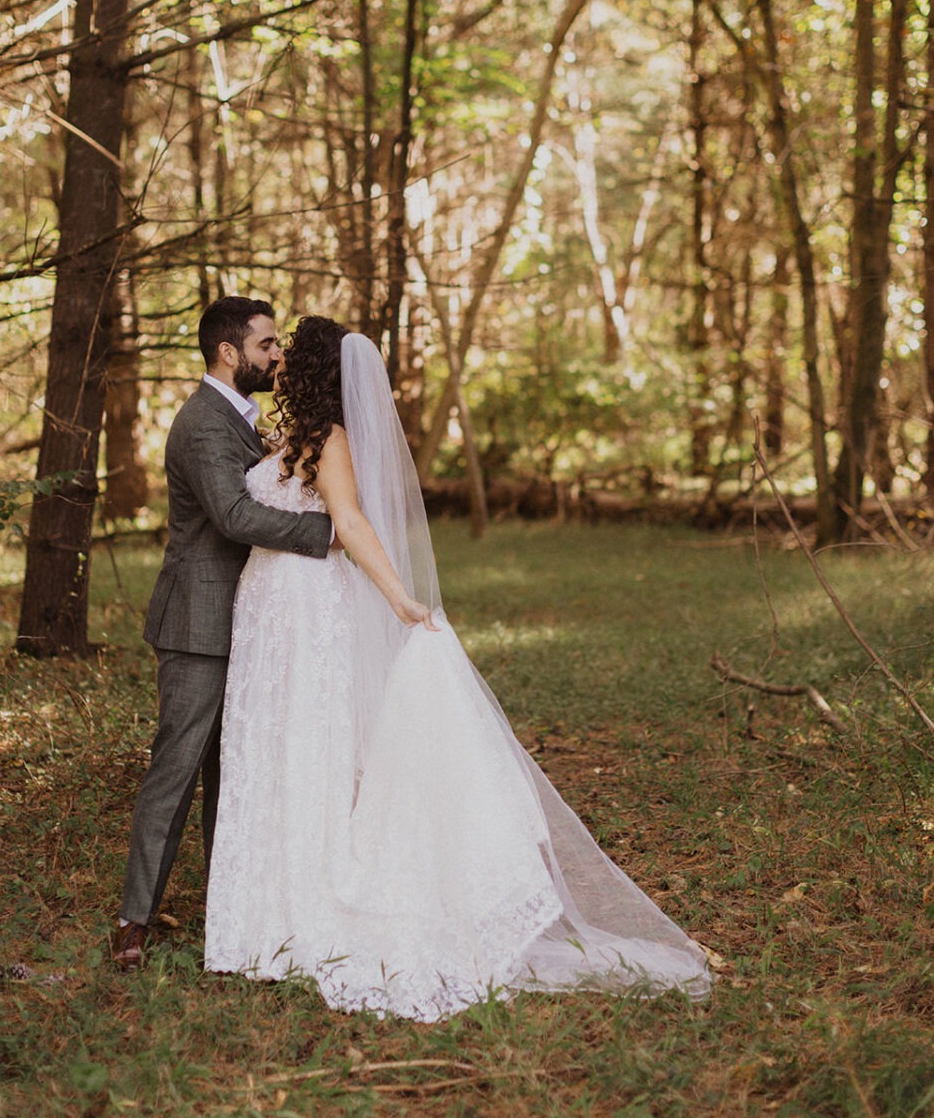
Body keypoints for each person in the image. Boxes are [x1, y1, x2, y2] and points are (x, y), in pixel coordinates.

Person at [204, 317, 710, 1020]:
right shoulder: (292, 438)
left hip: (307, 611)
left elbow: (349, 524)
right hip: (269, 615)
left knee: (307, 750)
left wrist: (401, 598)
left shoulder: (333, 440)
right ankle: (262, 917)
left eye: (291, 348)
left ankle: (303, 913)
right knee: (270, 751)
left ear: (313, 367)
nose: (280, 356)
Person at [112, 297, 333, 970]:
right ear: (229, 353)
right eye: (267, 344)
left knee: (231, 769)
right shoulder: (203, 422)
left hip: (247, 617)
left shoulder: (244, 418)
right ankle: (132, 921)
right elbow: (235, 516)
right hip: (197, 622)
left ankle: (227, 903)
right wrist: (328, 533)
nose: (277, 355)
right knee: (177, 769)